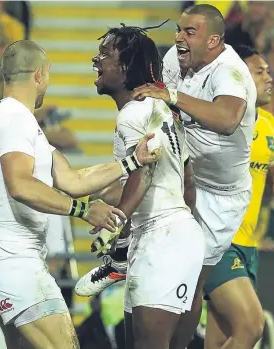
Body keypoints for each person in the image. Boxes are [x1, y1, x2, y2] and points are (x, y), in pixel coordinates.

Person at [76, 4, 257, 349]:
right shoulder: (162, 80)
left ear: (214, 40)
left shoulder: (229, 71)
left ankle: (121, 253)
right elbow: (170, 174)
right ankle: (122, 254)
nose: (178, 37)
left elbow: (227, 118)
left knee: (196, 283)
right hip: (179, 196)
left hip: (220, 194)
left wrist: (115, 219)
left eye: (190, 32)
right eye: (178, 29)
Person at [0, 39, 159, 349]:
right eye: (48, 75)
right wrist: (85, 210)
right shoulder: (14, 121)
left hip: (10, 254)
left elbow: (72, 179)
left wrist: (132, 161)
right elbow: (19, 185)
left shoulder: (14, 122)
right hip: (11, 257)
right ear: (38, 75)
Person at [77, 22, 206, 349]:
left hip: (161, 242)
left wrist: (116, 223)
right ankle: (119, 263)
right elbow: (185, 181)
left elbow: (144, 174)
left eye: (104, 54)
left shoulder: (133, 114)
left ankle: (116, 262)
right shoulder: (160, 110)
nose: (96, 59)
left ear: (124, 67)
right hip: (174, 237)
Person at [192, 45, 274, 349]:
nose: (268, 77)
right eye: (258, 72)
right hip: (218, 242)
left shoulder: (269, 126)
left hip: (249, 247)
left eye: (268, 71)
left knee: (222, 339)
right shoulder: (218, 126)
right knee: (251, 325)